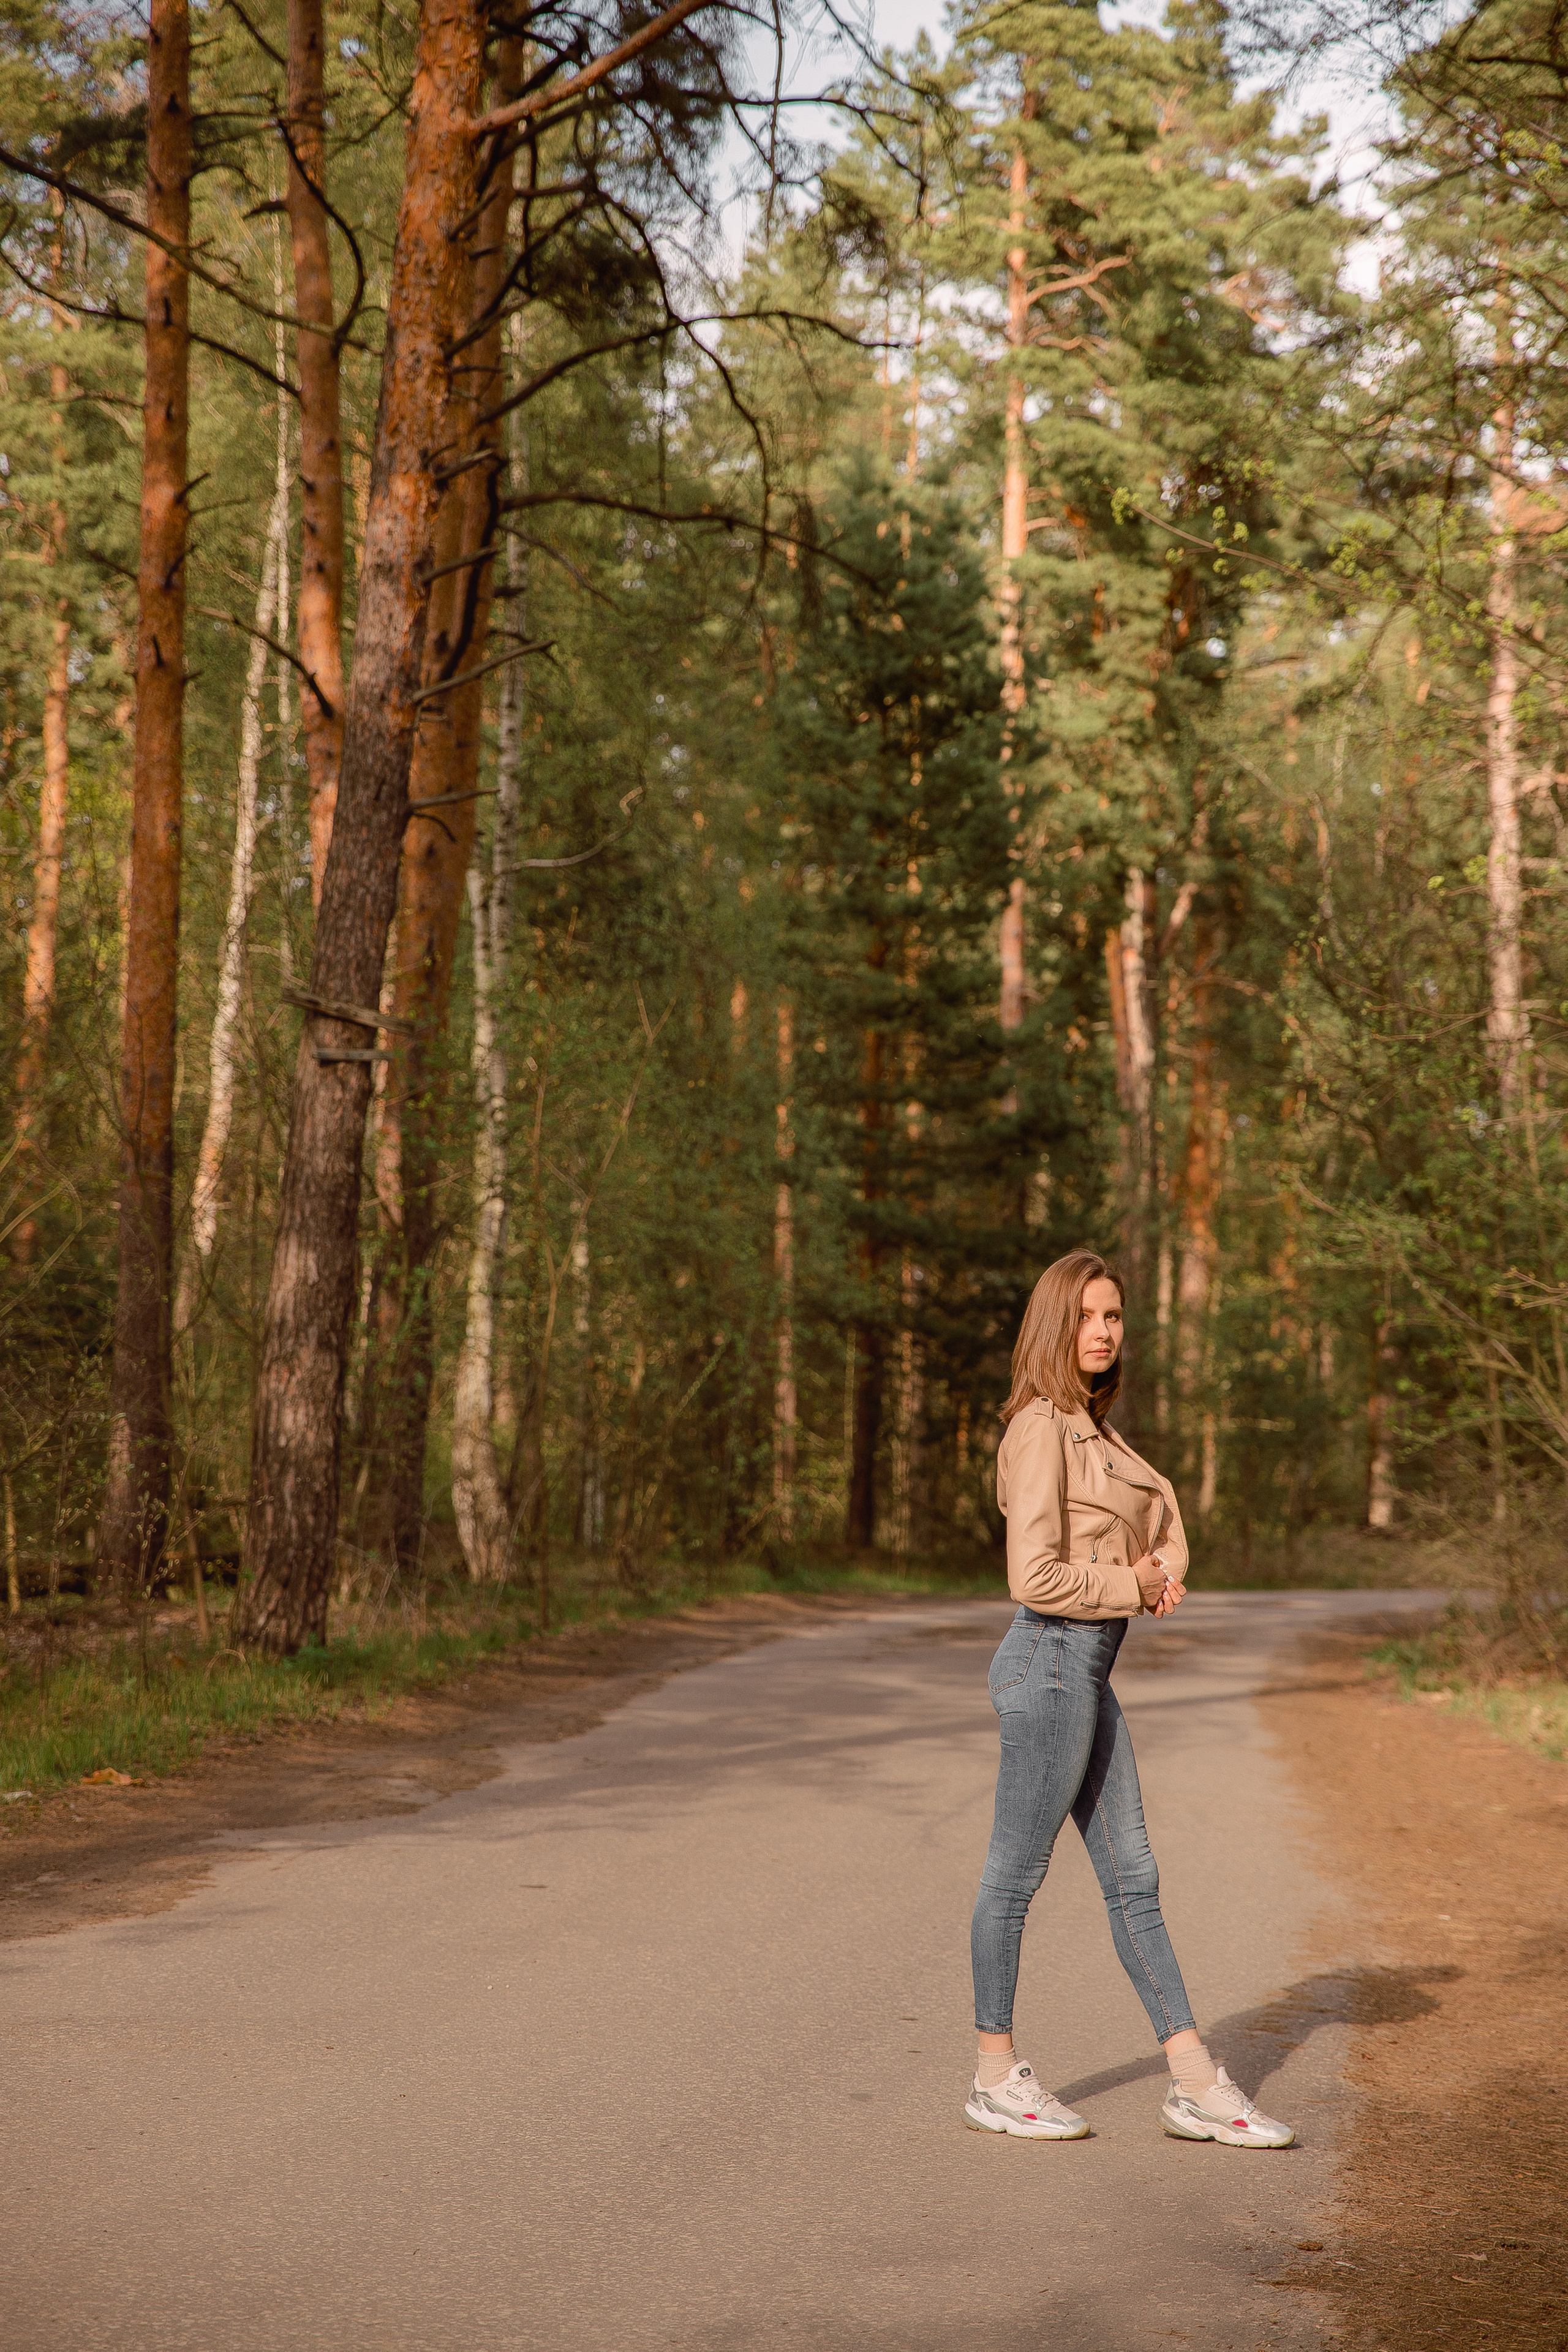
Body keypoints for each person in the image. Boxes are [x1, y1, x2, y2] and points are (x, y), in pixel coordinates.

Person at [963, 1248, 1294, 2150]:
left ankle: (1195, 2083)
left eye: (1114, 1318)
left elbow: (1148, 1534)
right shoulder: (1041, 1429)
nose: (1105, 1332)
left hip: (1087, 1672)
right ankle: (996, 2075)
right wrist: (1131, 1581)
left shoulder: (1095, 1432)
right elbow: (1031, 1576)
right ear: (1055, 1325)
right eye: (1088, 1317)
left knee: (1134, 1880)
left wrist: (1152, 1576)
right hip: (1051, 1662)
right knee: (1014, 1875)